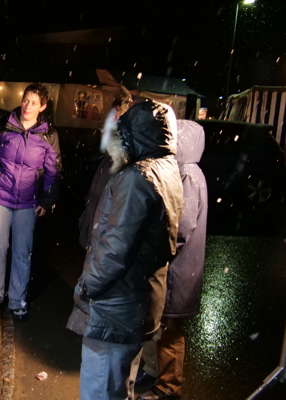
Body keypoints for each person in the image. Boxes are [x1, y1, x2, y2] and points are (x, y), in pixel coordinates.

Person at [76, 99, 183, 400]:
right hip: (140, 302)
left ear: (135, 136)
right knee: (122, 386)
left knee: (102, 389)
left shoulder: (137, 177)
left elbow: (115, 248)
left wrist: (87, 285)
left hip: (118, 305)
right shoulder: (167, 169)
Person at [0, 83, 62, 322]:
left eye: (34, 102)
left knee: (22, 252)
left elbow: (54, 171)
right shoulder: (3, 126)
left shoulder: (48, 135)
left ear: (42, 107)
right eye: (26, 100)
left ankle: (17, 300)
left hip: (28, 203)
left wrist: (47, 199)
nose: (28, 106)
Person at [136, 120, 208, 400]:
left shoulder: (188, 173)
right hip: (176, 266)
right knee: (160, 320)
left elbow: (182, 224)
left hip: (179, 269)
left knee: (170, 327)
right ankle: (155, 372)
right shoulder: (184, 170)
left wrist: (159, 247)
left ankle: (168, 386)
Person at [66, 86, 133, 336]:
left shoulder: (128, 165)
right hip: (95, 236)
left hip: (105, 243)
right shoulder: (109, 159)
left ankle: (97, 334)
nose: (110, 124)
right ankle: (90, 329)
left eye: (117, 118)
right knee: (89, 289)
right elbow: (96, 197)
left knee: (98, 293)